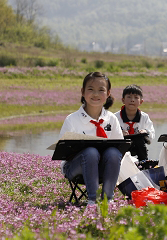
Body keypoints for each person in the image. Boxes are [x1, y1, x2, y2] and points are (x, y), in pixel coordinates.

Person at [59, 72, 123, 205]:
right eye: (91, 89)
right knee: (90, 152)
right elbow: (63, 152)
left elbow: (120, 148)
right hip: (75, 168)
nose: (95, 94)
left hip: (102, 168)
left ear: (108, 93)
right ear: (82, 92)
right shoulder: (72, 119)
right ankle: (92, 200)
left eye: (101, 90)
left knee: (114, 153)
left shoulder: (112, 119)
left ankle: (107, 199)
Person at [115, 84, 155, 161]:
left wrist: (145, 132)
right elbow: (109, 134)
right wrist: (119, 133)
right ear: (123, 100)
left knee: (139, 140)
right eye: (129, 97)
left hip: (139, 146)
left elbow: (152, 133)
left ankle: (143, 163)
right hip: (121, 146)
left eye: (136, 98)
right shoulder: (115, 117)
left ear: (141, 102)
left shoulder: (144, 117)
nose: (132, 100)